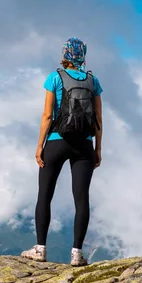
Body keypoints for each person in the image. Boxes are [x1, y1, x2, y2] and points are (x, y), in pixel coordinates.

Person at [21, 37, 103, 267]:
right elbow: (98, 119)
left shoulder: (55, 77)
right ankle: (77, 254)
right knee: (82, 199)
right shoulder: (93, 81)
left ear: (65, 54)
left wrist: (40, 146)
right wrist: (98, 148)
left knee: (45, 195)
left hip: (57, 141)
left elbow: (47, 115)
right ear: (83, 55)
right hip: (84, 145)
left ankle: (40, 249)